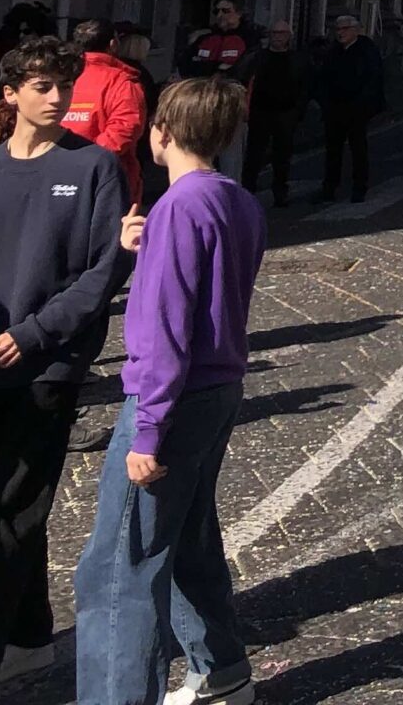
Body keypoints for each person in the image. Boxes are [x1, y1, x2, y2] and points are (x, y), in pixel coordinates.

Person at [73, 76, 266, 705]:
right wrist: (146, 241)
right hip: (219, 387)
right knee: (186, 531)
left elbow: (163, 328)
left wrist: (148, 427)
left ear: (162, 132)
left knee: (118, 567)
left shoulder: (178, 207)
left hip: (173, 398)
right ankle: (222, 666)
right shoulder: (235, 199)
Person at [0, 39, 127, 699]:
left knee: (10, 512)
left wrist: (33, 334)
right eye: (41, 85)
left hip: (46, 369)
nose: (57, 96)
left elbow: (101, 271)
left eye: (62, 85)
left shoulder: (94, 166)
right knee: (7, 511)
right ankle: (30, 641)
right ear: (10, 94)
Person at [63, 18, 148, 206]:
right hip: (108, 181)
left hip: (58, 171)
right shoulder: (122, 82)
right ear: (113, 44)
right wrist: (89, 162)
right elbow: (124, 131)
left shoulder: (60, 76)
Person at [313, 13, 385, 204]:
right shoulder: (333, 52)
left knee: (358, 148)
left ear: (355, 30)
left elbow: (373, 79)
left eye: (344, 29)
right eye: (337, 29)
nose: (340, 33)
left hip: (357, 109)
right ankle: (329, 187)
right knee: (332, 150)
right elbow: (323, 79)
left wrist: (363, 104)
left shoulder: (367, 50)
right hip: (335, 108)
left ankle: (359, 187)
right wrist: (325, 103)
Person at [240, 20, 307, 207]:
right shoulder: (257, 58)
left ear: (289, 36)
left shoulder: (298, 59)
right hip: (260, 112)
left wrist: (298, 111)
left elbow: (305, 86)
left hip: (286, 113)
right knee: (254, 154)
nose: (278, 37)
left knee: (282, 156)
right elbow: (245, 80)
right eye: (275, 33)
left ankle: (280, 192)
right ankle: (248, 191)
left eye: (282, 33)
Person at [178, 0, 252, 84]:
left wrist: (221, 71)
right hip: (202, 90)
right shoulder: (204, 37)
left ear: (239, 13)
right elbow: (186, 65)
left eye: (225, 11)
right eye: (216, 11)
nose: (220, 15)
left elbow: (243, 71)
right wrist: (217, 66)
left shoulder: (249, 39)